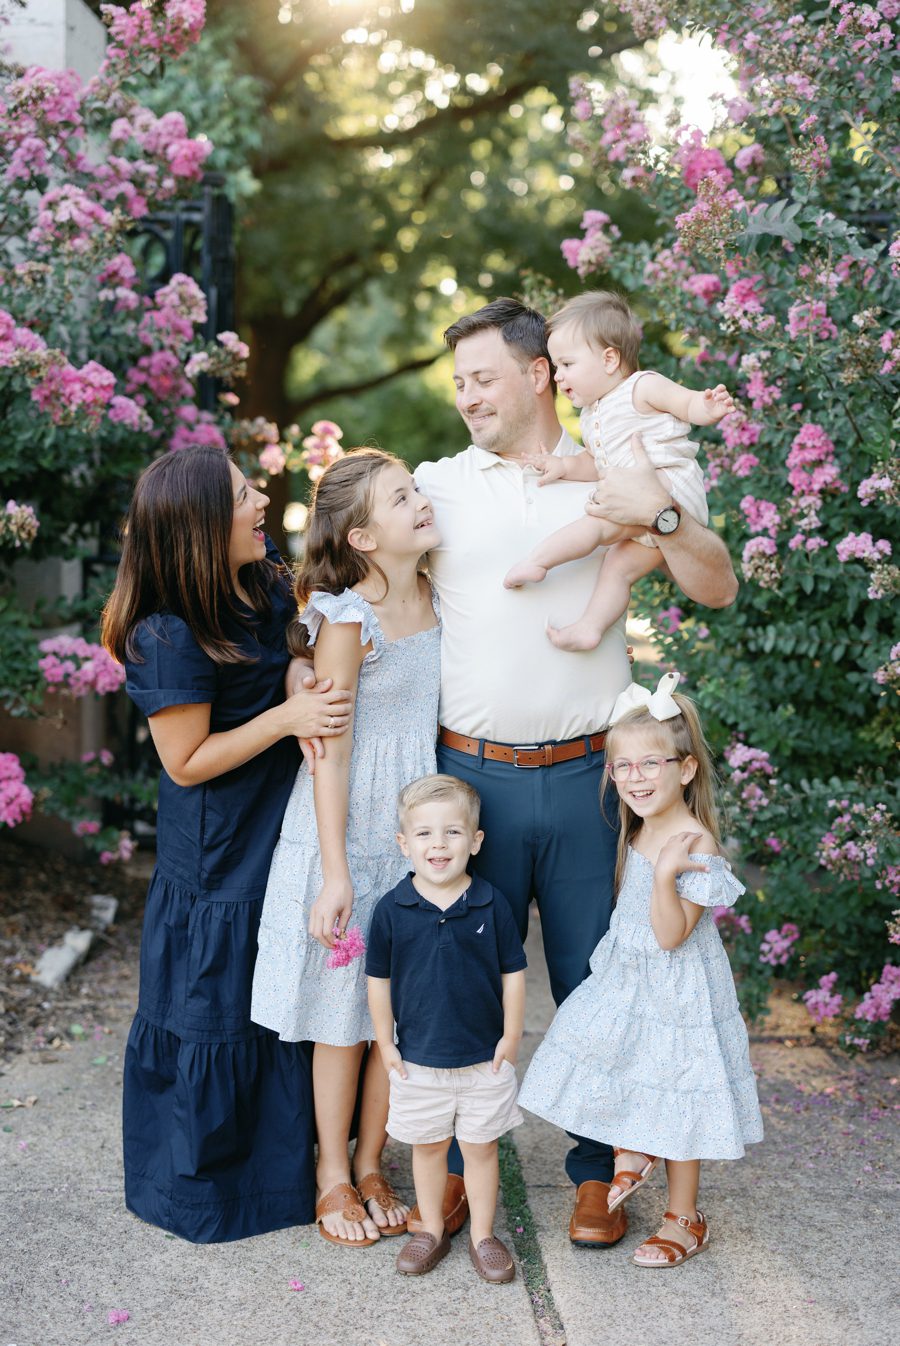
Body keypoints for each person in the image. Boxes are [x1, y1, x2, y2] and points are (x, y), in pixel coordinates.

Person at [411, 297, 738, 1248]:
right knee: (462, 979)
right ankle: (460, 1169)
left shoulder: (619, 462)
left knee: (608, 975)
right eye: (459, 382)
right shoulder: (437, 487)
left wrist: (660, 512)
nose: (468, 396)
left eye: (484, 378)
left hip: (594, 782)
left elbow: (716, 583)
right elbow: (367, 578)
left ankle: (600, 1172)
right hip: (472, 780)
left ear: (540, 375)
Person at [100, 444, 352, 1243]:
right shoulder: (167, 632)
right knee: (217, 1006)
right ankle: (208, 1191)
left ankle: (288, 1175)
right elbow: (186, 761)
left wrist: (298, 677)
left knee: (279, 999)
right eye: (244, 496)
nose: (261, 503)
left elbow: (295, 652)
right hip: (217, 849)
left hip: (283, 825)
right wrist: (287, 718)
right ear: (202, 525)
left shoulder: (261, 583)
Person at [251, 449, 443, 1248]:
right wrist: (335, 874)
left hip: (415, 833)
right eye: (401, 498)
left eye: (416, 489)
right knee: (340, 1017)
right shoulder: (347, 620)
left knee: (391, 1014)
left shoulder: (438, 593)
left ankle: (372, 1162)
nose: (420, 501)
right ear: (363, 537)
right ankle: (332, 1170)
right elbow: (327, 754)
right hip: (346, 834)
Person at [518, 672, 763, 1266]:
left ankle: (684, 1218)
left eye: (651, 764)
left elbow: (672, 935)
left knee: (677, 1091)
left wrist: (663, 875)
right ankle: (631, 1144)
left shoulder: (694, 843)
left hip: (678, 988)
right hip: (630, 977)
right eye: (623, 767)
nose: (635, 778)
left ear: (686, 769)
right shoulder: (641, 824)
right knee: (609, 1053)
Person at [503, 290, 735, 651]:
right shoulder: (591, 415)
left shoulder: (641, 387)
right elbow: (596, 464)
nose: (559, 377)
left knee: (596, 524)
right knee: (617, 567)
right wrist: (562, 465)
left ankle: (537, 561)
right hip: (641, 507)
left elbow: (686, 402)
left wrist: (706, 407)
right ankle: (590, 627)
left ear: (609, 359)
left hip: (669, 488)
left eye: (567, 364)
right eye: (556, 367)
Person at [367, 775, 526, 1282]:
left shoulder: (492, 904)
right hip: (419, 1059)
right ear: (404, 843)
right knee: (429, 1147)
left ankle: (483, 1235)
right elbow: (378, 981)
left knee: (480, 1150)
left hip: (484, 1059)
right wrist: (385, 1042)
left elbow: (513, 974)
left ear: (475, 841)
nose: (438, 844)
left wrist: (512, 1035)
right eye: (425, 834)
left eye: (453, 832)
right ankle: (432, 1230)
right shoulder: (391, 910)